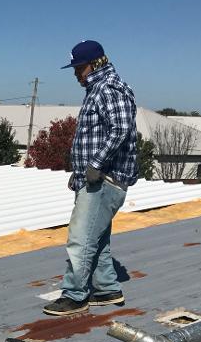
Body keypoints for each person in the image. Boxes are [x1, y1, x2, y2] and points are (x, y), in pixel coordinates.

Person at [43, 40, 138, 316]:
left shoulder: (109, 88)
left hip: (105, 178)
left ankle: (75, 295)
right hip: (94, 178)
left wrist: (96, 165)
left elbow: (121, 128)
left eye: (79, 68)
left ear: (95, 64)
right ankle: (107, 289)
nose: (76, 74)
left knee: (80, 239)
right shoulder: (97, 89)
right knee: (97, 238)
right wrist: (80, 173)